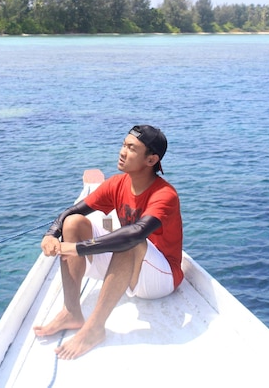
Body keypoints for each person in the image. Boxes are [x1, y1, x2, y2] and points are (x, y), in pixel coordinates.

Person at [33, 124, 183, 360]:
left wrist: (77, 249)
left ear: (151, 159)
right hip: (129, 266)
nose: (122, 152)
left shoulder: (165, 195)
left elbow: (135, 234)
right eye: (123, 145)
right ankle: (71, 312)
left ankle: (94, 329)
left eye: (131, 148)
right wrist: (51, 234)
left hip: (161, 278)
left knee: (129, 241)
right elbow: (74, 211)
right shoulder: (117, 183)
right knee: (73, 223)